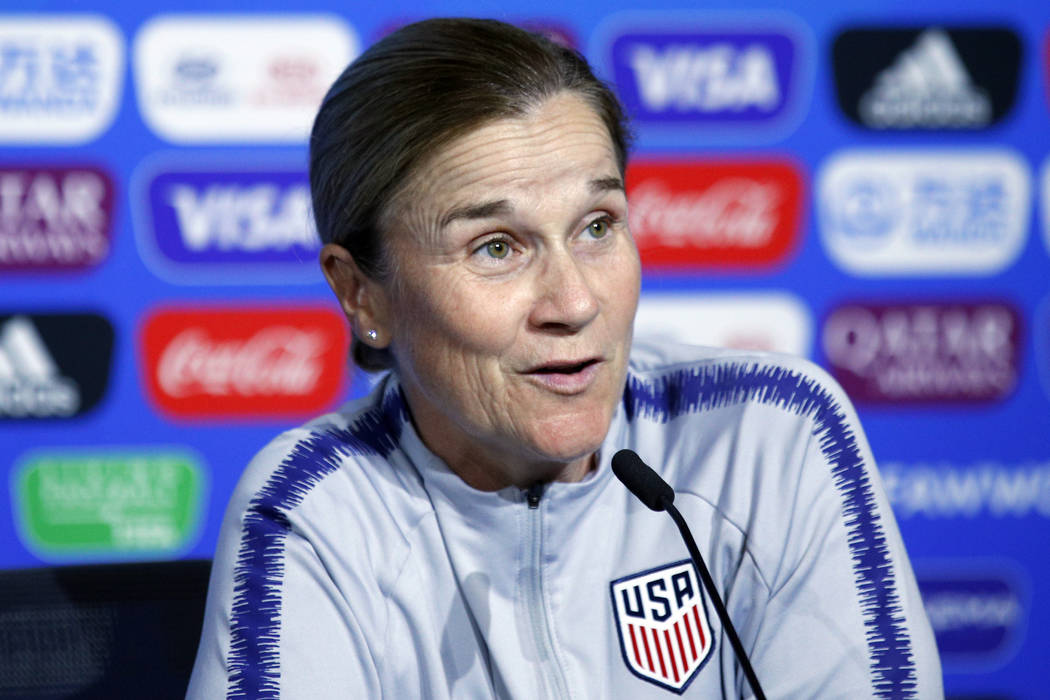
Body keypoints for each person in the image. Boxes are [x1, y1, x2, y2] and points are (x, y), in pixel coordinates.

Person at [187, 18, 942, 699]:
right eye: (496, 247)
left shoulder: (769, 433)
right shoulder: (318, 508)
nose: (575, 303)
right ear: (362, 296)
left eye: (596, 226)